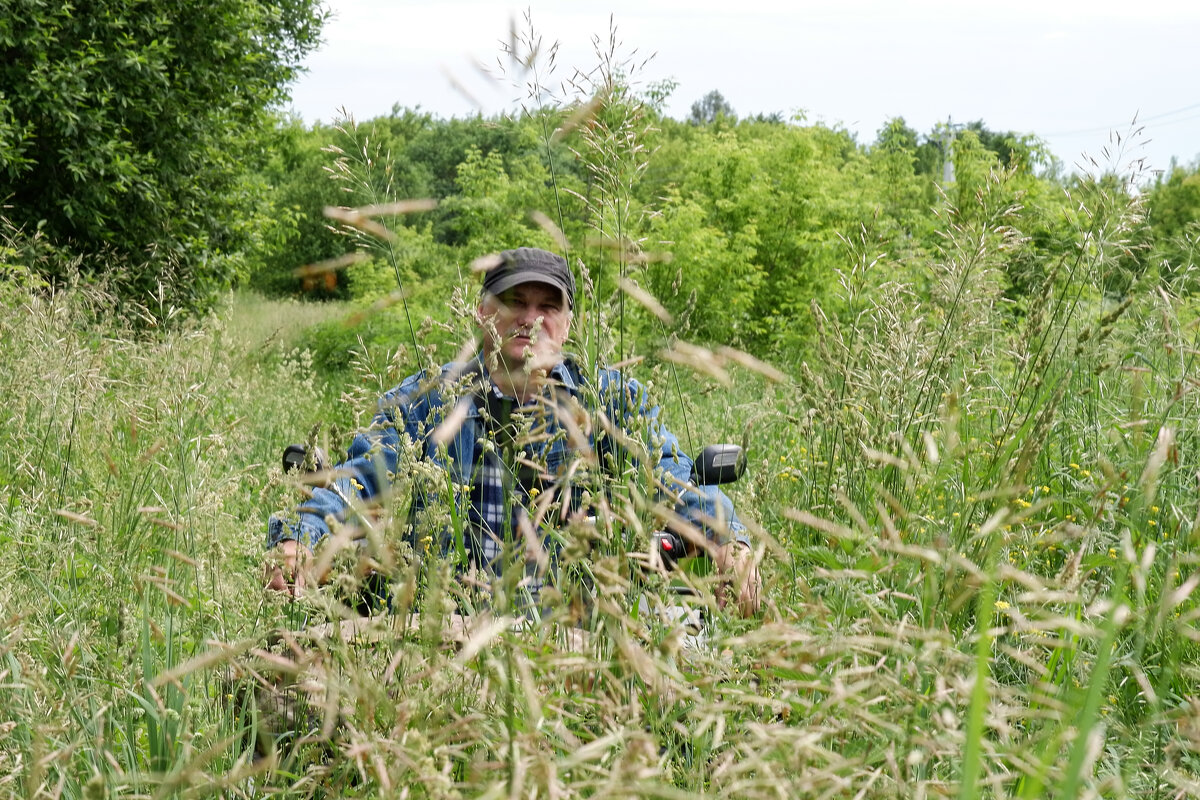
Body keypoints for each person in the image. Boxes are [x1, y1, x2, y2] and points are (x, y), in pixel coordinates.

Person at [264, 247, 760, 617]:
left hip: (583, 627)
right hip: (445, 628)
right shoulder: (424, 402)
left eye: (548, 306)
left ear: (568, 322)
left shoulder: (613, 400)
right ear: (483, 313)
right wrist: (300, 540)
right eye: (514, 302)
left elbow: (672, 475)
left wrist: (727, 541)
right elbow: (356, 481)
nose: (530, 319)